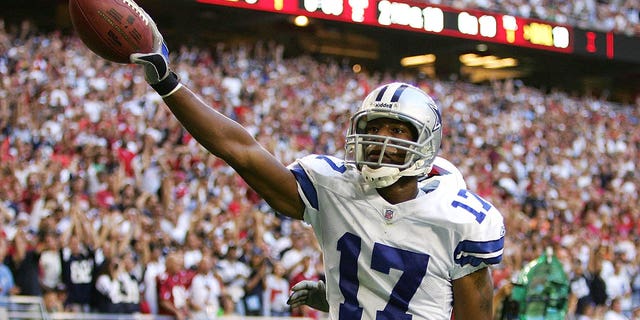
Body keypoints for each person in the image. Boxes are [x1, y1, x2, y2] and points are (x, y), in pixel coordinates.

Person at [127, 10, 505, 319]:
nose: (381, 141)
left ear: (425, 143)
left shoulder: (457, 219)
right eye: (373, 128)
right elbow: (238, 149)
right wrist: (167, 83)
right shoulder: (333, 187)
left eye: (397, 130)